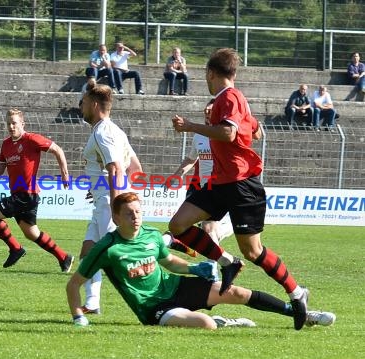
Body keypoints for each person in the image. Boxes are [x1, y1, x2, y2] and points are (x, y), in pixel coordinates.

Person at [169, 48, 310, 330]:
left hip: (242, 184)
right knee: (178, 225)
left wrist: (190, 126)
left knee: (254, 251)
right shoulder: (232, 100)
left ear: (211, 73)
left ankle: (296, 292)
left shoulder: (230, 97)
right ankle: (226, 261)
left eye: (206, 75)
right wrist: (242, 126)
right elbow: (255, 131)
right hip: (222, 182)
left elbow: (229, 132)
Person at [67, 192, 336, 329]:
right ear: (116, 218)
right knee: (205, 325)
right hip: (154, 309)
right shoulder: (107, 248)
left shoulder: (150, 235)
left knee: (238, 292)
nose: (135, 217)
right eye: (128, 213)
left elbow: (170, 262)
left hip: (176, 287)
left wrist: (196, 267)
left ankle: (301, 313)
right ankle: (223, 321)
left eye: (138, 211)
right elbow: (74, 284)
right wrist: (78, 316)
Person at [0, 108, 74, 272]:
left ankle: (15, 249)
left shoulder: (32, 139)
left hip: (27, 195)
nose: (11, 126)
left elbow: (58, 150)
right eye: (8, 123)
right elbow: (0, 170)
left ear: (22, 124)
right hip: (19, 195)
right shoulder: (6, 144)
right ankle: (64, 257)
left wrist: (65, 174)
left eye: (14, 123)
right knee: (32, 234)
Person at [78, 84, 142, 314]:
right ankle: (92, 302)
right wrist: (99, 188)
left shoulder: (102, 131)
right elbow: (135, 168)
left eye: (84, 102)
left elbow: (114, 168)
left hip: (109, 203)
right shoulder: (116, 130)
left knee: (118, 257)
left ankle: (157, 296)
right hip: (104, 199)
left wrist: (116, 206)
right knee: (88, 253)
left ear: (95, 105)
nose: (82, 107)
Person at [163, 99, 233, 267]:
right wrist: (177, 174)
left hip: (221, 186)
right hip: (204, 188)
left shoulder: (225, 134)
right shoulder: (199, 136)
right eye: (205, 111)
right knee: (207, 228)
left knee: (207, 228)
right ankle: (218, 265)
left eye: (211, 110)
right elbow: (191, 158)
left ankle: (215, 267)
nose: (207, 113)